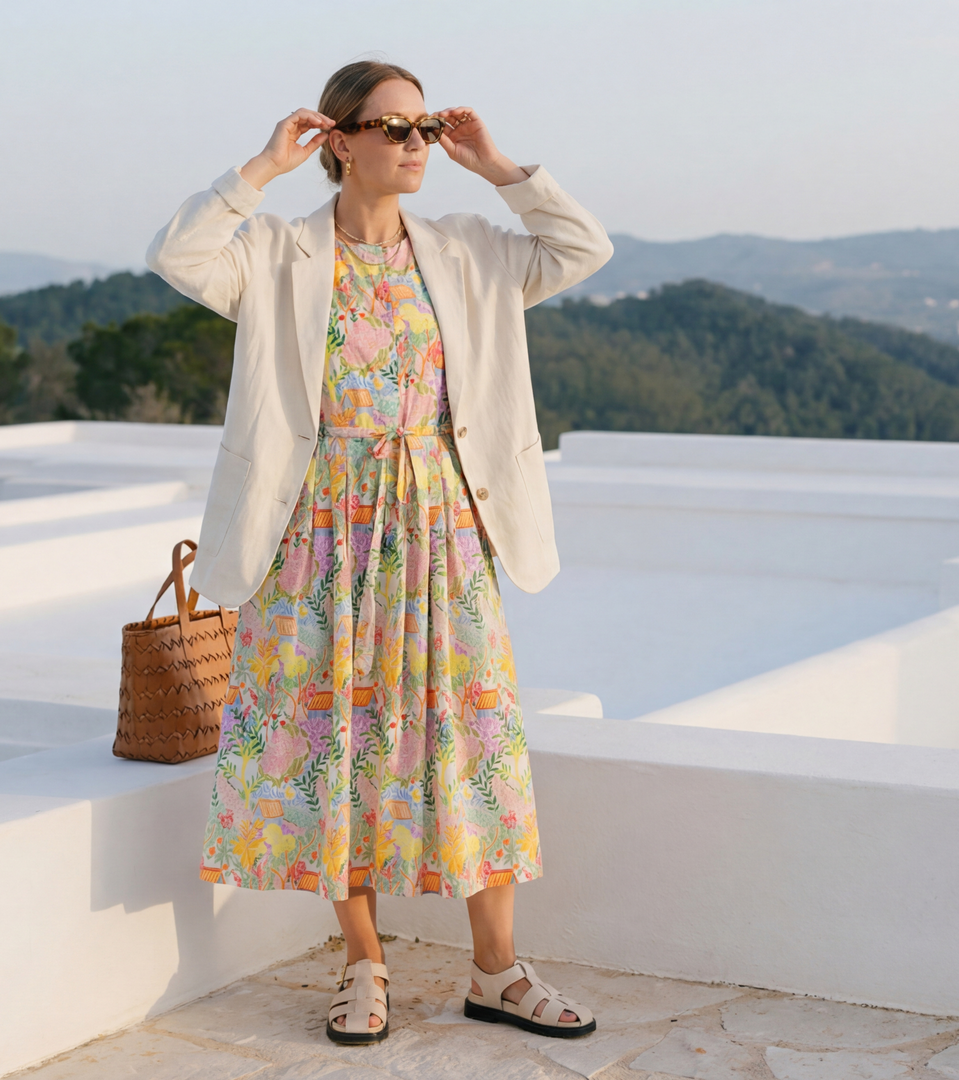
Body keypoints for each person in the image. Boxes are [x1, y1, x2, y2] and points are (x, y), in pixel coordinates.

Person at [147, 59, 612, 1044]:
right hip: (315, 534)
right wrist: (261, 169)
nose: (413, 145)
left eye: (425, 128)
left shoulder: (475, 250)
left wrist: (498, 166)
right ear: (340, 140)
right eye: (393, 128)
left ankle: (498, 970)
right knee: (332, 744)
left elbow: (581, 246)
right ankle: (364, 964)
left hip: (441, 529)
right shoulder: (276, 255)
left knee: (473, 739)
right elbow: (179, 255)